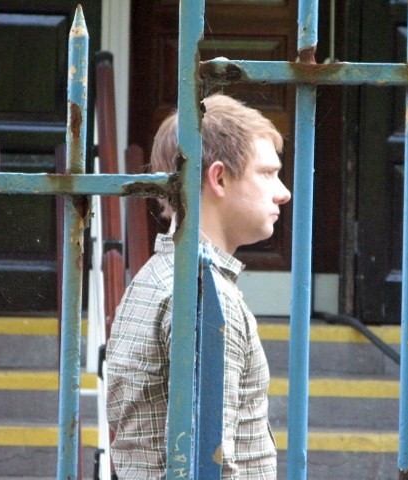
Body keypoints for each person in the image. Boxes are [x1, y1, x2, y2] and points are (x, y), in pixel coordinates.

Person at [106, 93, 292, 479]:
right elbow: (210, 463)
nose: (283, 192)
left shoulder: (155, 276)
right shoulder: (204, 295)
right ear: (219, 178)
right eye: (267, 173)